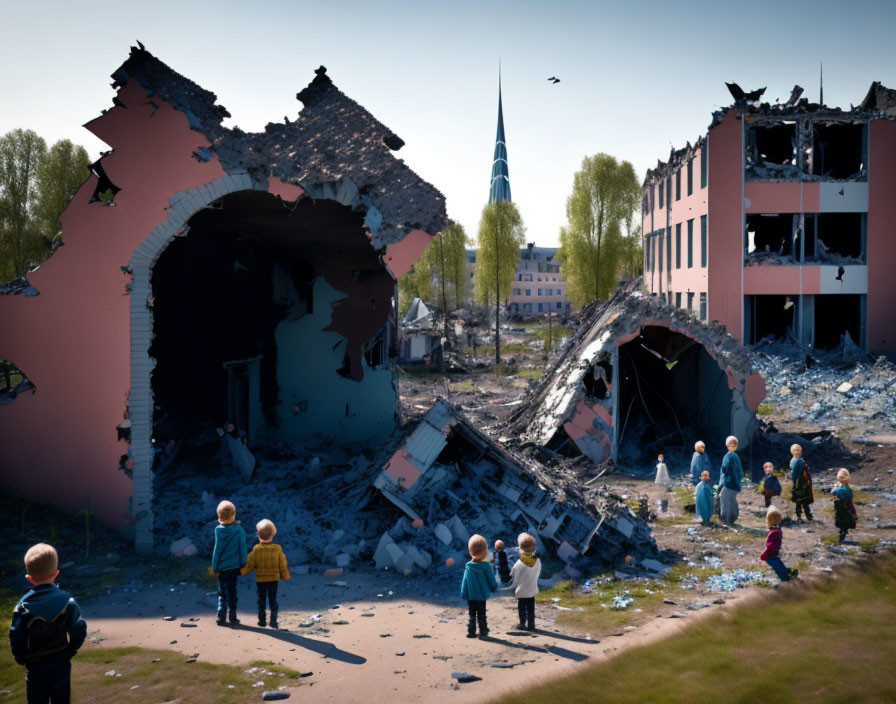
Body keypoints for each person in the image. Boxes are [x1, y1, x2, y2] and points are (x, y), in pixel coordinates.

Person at [9, 543, 86, 704]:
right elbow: (79, 629)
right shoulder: (68, 602)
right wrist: (71, 650)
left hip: (35, 665)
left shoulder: (23, 606)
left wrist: (21, 657)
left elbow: (16, 635)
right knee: (61, 698)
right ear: (56, 573)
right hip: (60, 662)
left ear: (29, 579)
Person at [240, 519, 290, 628]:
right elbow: (282, 564)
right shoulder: (277, 549)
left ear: (258, 535)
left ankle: (262, 621)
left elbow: (249, 563)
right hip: (273, 580)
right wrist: (285, 576)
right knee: (273, 600)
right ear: (273, 534)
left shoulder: (256, 549)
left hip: (261, 580)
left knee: (261, 601)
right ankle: (273, 621)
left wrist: (242, 571)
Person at [211, 500, 247, 626]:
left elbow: (217, 551)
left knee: (222, 592)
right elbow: (243, 548)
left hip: (222, 568)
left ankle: (221, 615)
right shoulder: (239, 530)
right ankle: (232, 616)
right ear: (234, 515)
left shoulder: (218, 530)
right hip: (234, 568)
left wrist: (214, 566)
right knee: (232, 592)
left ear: (219, 516)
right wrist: (243, 563)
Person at [460, 534, 497, 639]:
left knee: (472, 615)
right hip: (481, 596)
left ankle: (471, 631)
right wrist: (494, 587)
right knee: (481, 614)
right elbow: (491, 580)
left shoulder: (468, 566)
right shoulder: (486, 566)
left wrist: (464, 593)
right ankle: (483, 631)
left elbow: (465, 581)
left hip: (471, 596)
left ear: (470, 552)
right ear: (485, 551)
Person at [510, 533, 542, 631]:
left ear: (520, 548)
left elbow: (514, 575)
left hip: (521, 590)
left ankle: (522, 623)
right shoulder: (537, 561)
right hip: (532, 589)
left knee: (522, 608)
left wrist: (515, 586)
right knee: (531, 607)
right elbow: (538, 573)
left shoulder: (519, 563)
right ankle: (531, 624)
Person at [760, 506, 795, 582]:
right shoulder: (778, 530)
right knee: (779, 564)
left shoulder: (773, 532)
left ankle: (786, 580)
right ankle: (789, 572)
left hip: (770, 554)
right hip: (775, 553)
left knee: (778, 567)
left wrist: (763, 556)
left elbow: (770, 546)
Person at [719, 436, 744, 526]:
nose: (733, 447)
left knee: (725, 499)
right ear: (727, 445)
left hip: (729, 482)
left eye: (734, 445)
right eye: (731, 445)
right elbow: (740, 471)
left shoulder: (730, 456)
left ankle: (727, 519)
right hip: (734, 483)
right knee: (731, 500)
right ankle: (731, 517)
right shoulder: (734, 456)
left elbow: (725, 470)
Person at [832, 468, 858, 544]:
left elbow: (833, 494)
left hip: (839, 508)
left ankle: (841, 538)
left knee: (841, 522)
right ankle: (843, 536)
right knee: (845, 522)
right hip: (847, 507)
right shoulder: (848, 489)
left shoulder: (838, 489)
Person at [789, 444, 814, 522]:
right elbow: (794, 474)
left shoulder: (801, 461)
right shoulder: (795, 461)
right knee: (799, 501)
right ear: (791, 452)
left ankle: (808, 516)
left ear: (801, 451)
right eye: (794, 450)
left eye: (798, 450)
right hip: (798, 483)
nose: (796, 452)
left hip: (804, 484)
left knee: (804, 501)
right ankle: (799, 515)